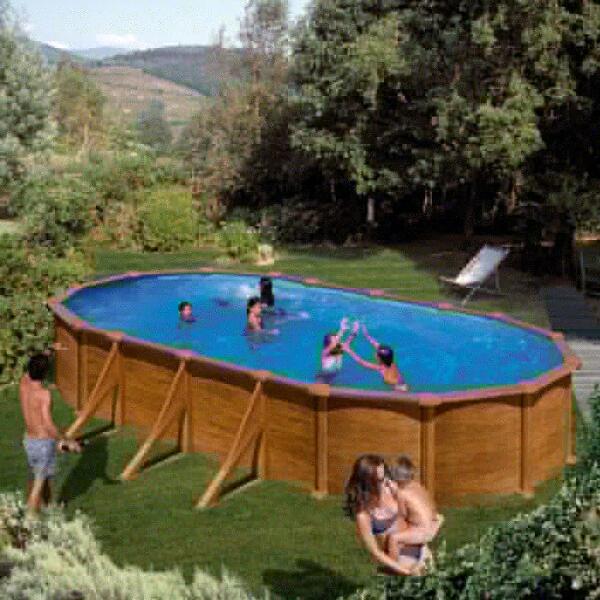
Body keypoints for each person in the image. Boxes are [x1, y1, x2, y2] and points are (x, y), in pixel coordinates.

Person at [344, 454, 427, 576]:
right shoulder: (363, 515)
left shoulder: (392, 490)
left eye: (385, 476)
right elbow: (375, 552)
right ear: (367, 484)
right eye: (379, 480)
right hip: (400, 560)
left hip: (421, 548)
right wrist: (406, 572)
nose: (386, 483)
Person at [20, 352, 80, 514]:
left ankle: (47, 507)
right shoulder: (44, 395)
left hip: (29, 441)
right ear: (46, 372)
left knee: (40, 477)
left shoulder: (23, 384)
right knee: (38, 485)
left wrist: (46, 354)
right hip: (43, 443)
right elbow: (47, 424)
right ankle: (29, 521)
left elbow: (29, 370)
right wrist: (66, 440)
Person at [386, 455, 444, 565]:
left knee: (393, 538)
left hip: (423, 530)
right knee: (409, 529)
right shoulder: (418, 486)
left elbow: (402, 515)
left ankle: (393, 567)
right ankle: (424, 556)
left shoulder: (402, 494)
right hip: (434, 522)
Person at [342, 325, 408, 391]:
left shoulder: (381, 368)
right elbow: (377, 345)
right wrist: (367, 335)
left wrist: (348, 350)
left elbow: (361, 362)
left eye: (376, 354)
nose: (375, 354)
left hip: (398, 389)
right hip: (403, 385)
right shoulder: (391, 362)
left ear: (380, 359)